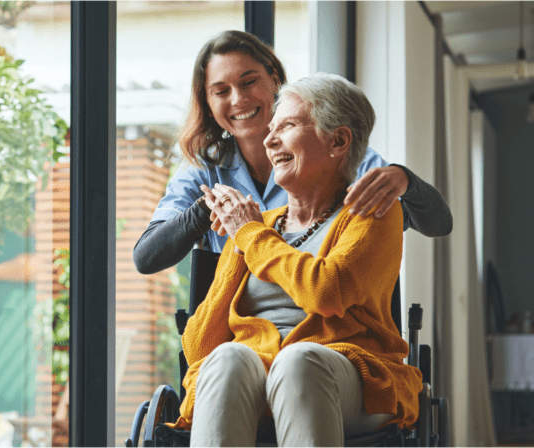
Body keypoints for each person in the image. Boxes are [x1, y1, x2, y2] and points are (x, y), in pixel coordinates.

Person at [169, 73, 422, 447]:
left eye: (286, 125)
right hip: (257, 375)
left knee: (299, 361)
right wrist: (240, 244)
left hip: (352, 375)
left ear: (338, 141)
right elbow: (198, 347)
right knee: (225, 360)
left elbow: (326, 290)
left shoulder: (373, 213)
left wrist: (250, 236)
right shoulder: (256, 226)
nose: (268, 140)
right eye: (271, 129)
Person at [133, 30, 452, 275]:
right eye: (221, 91)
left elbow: (438, 223)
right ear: (207, 101)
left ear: (274, 77)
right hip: (242, 332)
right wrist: (206, 209)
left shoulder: (337, 152)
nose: (238, 99)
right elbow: (146, 258)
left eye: (249, 82)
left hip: (328, 325)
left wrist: (404, 179)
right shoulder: (206, 170)